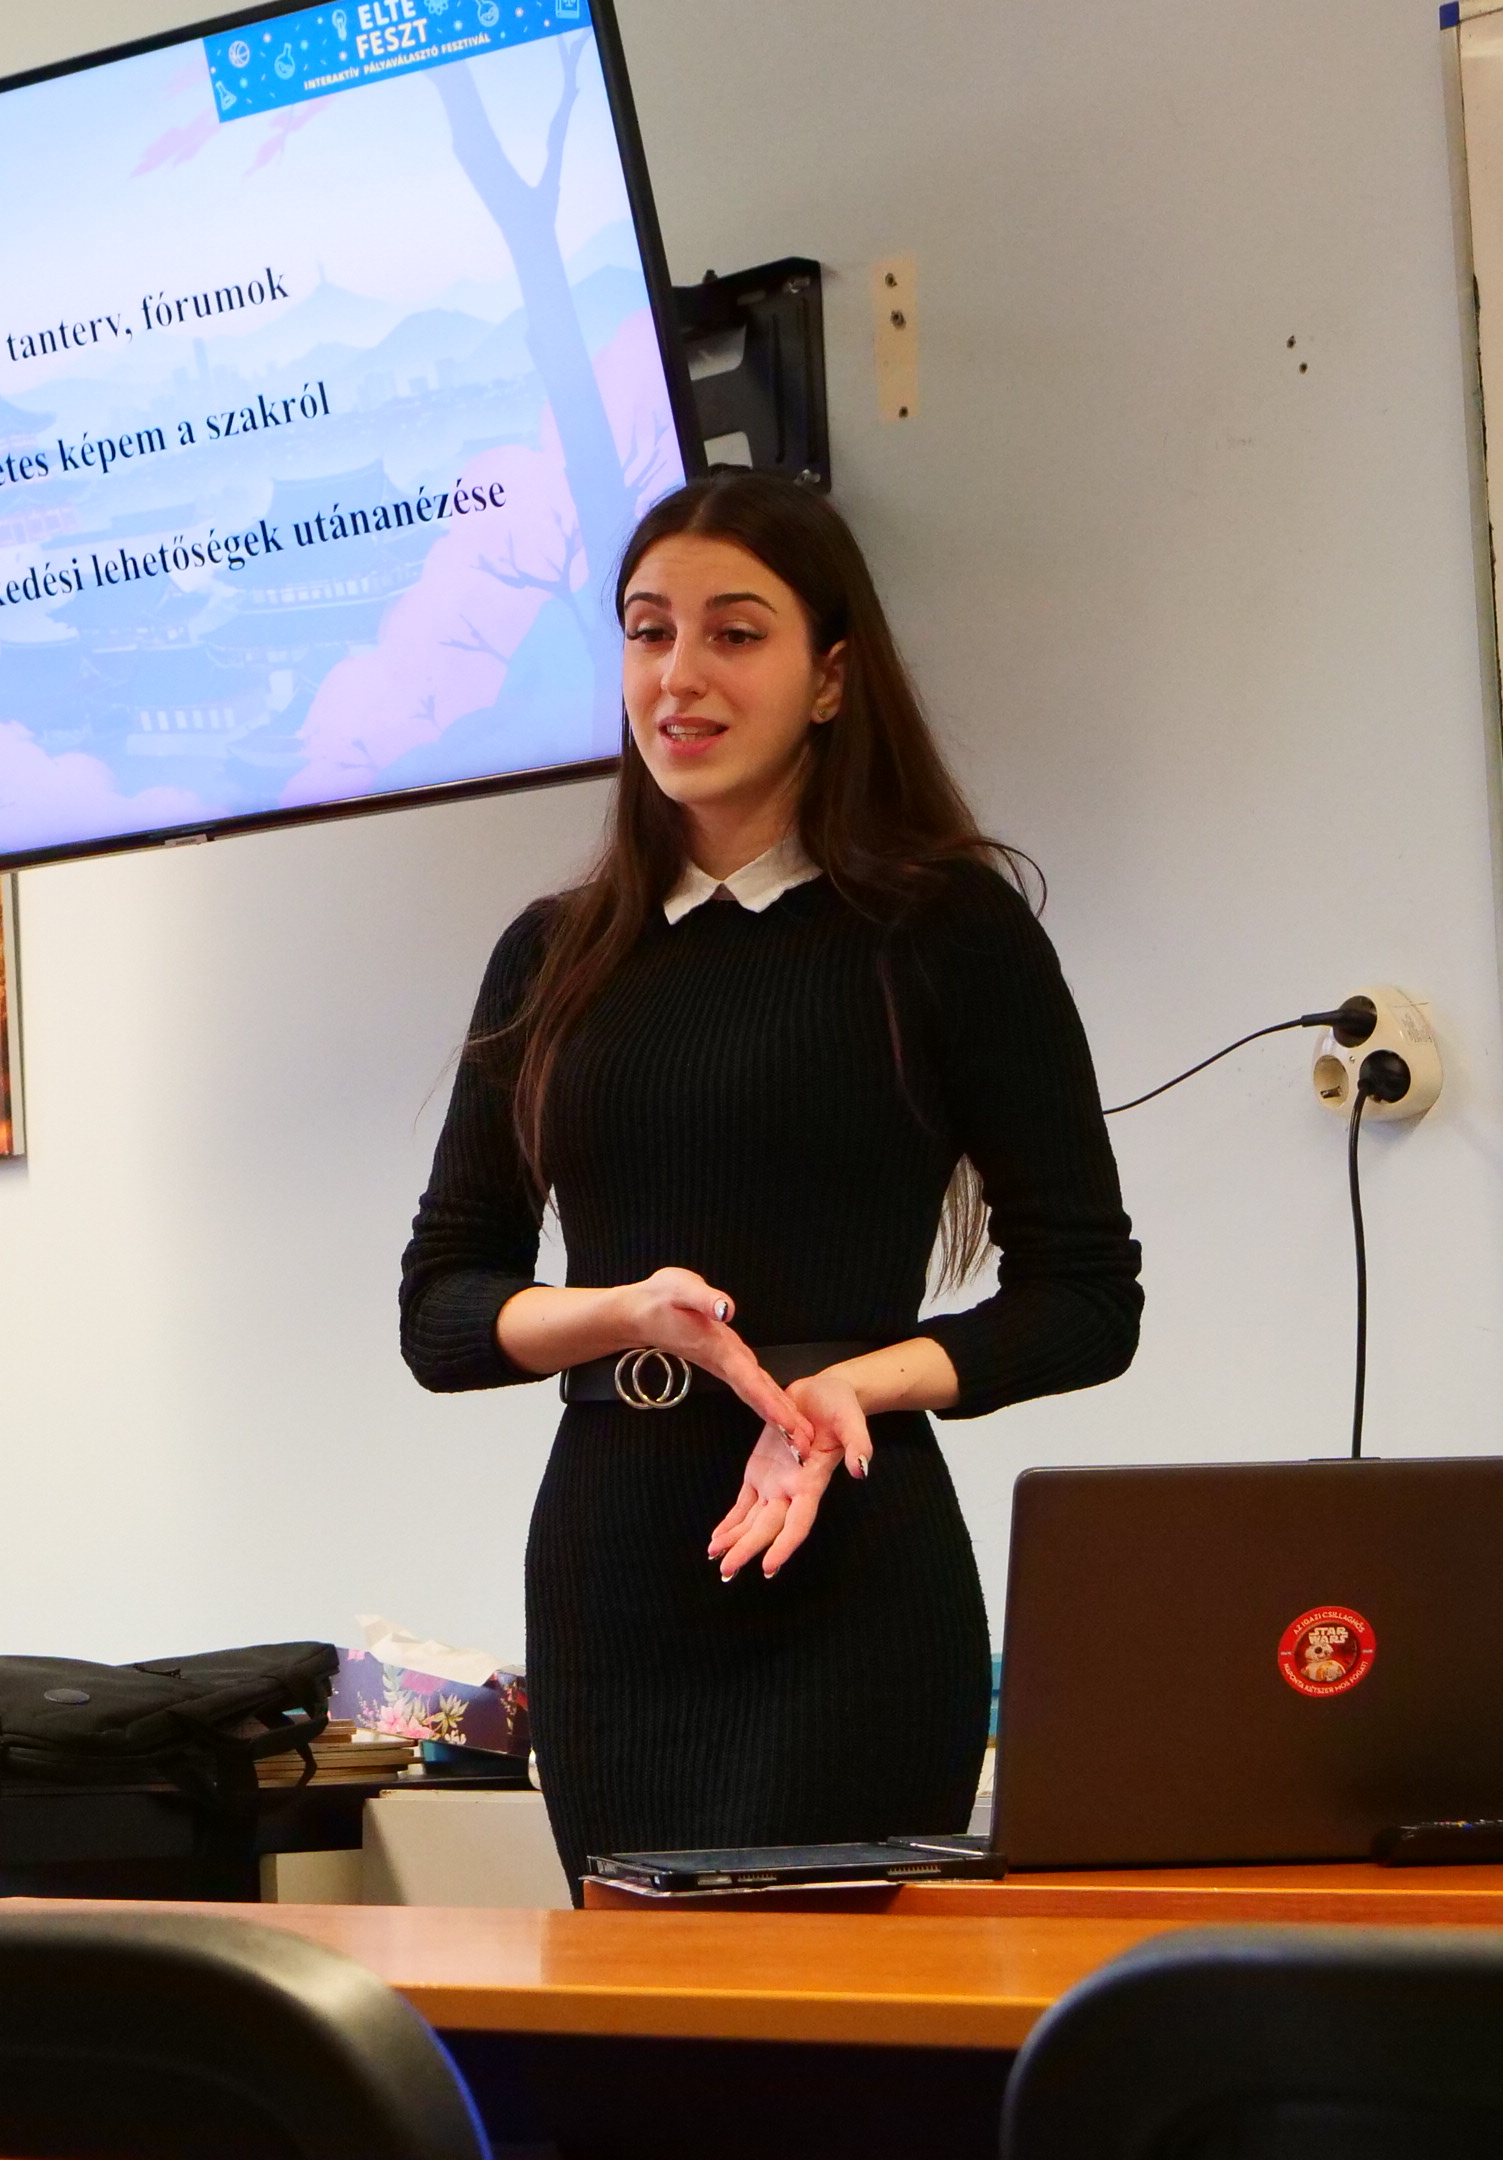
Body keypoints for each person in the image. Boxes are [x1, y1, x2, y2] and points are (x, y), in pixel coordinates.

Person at [397, 472, 1141, 1892]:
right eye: (647, 631)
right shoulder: (551, 956)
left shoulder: (948, 930)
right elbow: (443, 1313)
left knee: (838, 2019)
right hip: (614, 1578)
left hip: (852, 1558)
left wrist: (849, 1388)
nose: (679, 676)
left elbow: (1089, 1300)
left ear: (831, 677)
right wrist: (625, 1314)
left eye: (734, 634)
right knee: (642, 2022)